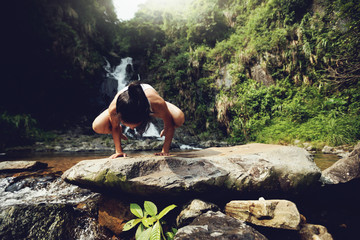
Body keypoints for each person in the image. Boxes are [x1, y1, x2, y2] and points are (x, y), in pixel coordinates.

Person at [92, 81, 185, 158]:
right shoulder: (114, 109)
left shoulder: (157, 103)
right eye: (128, 125)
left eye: (134, 126)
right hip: (125, 101)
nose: (132, 129)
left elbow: (169, 125)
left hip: (149, 100)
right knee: (97, 126)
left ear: (145, 117)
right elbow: (115, 127)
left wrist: (165, 150)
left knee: (179, 118)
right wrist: (118, 151)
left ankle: (166, 105)